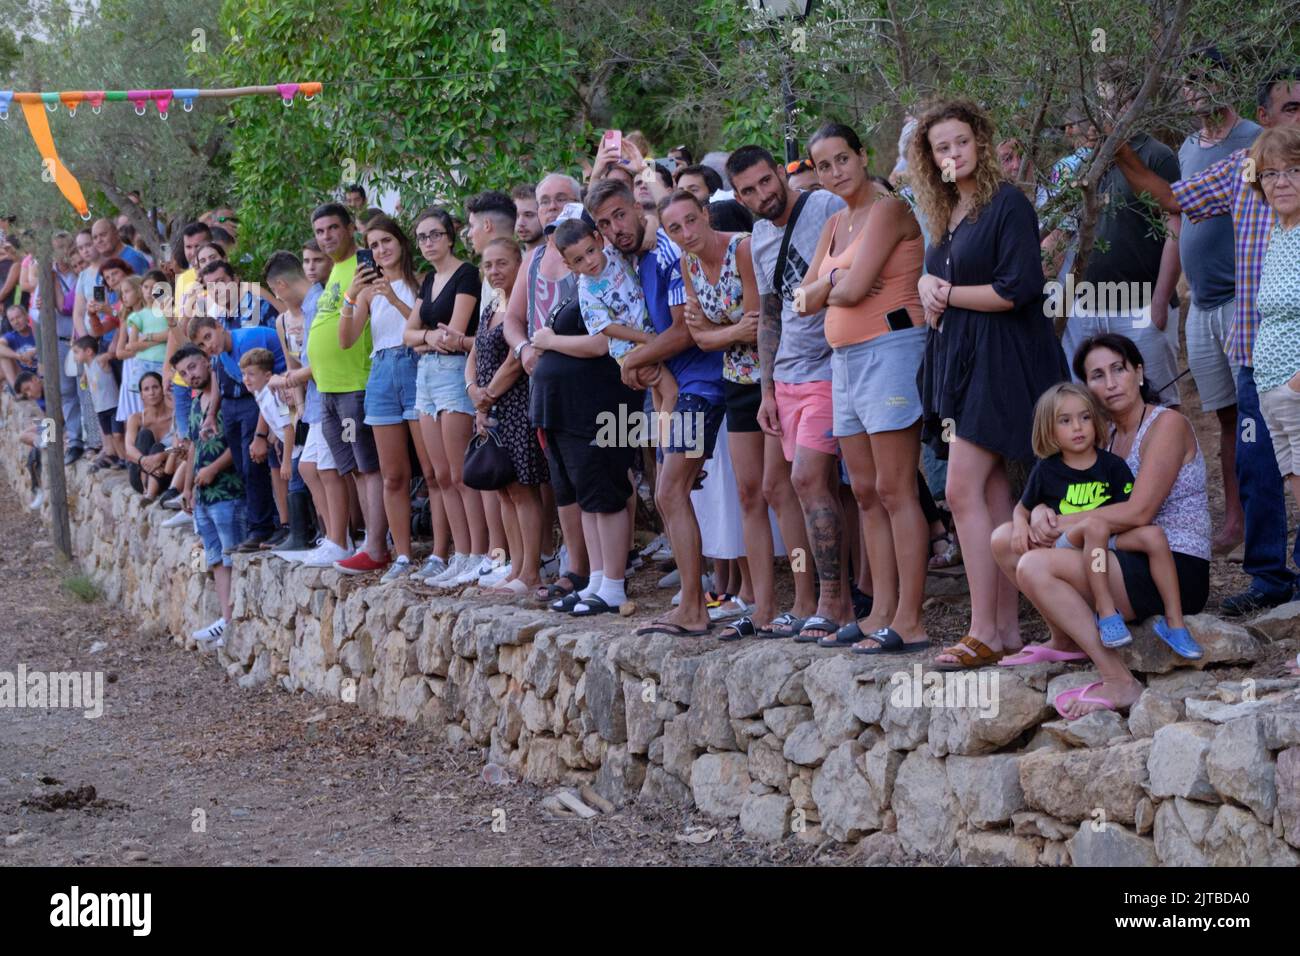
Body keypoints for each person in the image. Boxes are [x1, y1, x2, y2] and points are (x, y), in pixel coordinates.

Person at [1112, 67, 1300, 615]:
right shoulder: (1246, 174)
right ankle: (1269, 576)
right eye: (1289, 108)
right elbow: (1172, 197)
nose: (1281, 180)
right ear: (1264, 116)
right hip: (1254, 355)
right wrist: (1119, 147)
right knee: (1261, 462)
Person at [908, 98, 1069, 669]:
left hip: (1006, 360)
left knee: (959, 490)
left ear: (979, 140)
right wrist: (931, 289)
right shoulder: (948, 212)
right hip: (963, 357)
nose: (951, 154)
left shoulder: (1008, 203)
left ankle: (980, 628)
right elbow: (952, 284)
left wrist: (946, 292)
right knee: (994, 491)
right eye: (939, 147)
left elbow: (1016, 288)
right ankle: (1001, 630)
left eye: (960, 142)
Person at [993, 334, 1210, 717]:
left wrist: (1058, 522)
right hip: (1114, 553)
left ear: (1139, 372)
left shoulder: (1167, 425)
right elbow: (1073, 489)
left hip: (1170, 564)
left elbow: (1139, 511)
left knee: (1033, 564)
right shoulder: (1100, 437)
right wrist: (1041, 509)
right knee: (1005, 539)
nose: (1109, 383)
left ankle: (1118, 679)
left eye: (1118, 369)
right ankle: (1066, 637)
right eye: (1096, 375)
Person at [797, 122, 931, 654]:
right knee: (865, 490)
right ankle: (879, 611)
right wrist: (835, 287)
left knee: (896, 489)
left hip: (891, 351)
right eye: (823, 166)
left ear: (862, 155)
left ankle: (910, 619)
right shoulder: (834, 223)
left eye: (841, 160)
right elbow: (801, 299)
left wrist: (833, 288)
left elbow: (844, 290)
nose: (834, 173)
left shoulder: (888, 209)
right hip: (845, 361)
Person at [585, 178, 725, 637]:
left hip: (702, 384)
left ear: (637, 206)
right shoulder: (633, 258)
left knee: (670, 492)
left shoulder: (667, 252)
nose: (614, 229)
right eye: (604, 224)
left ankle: (696, 606)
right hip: (673, 387)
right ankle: (693, 601)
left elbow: (686, 330)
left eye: (619, 215)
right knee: (670, 492)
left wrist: (639, 357)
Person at [663, 188, 804, 639]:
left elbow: (759, 321)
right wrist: (728, 332)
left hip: (772, 377)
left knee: (779, 488)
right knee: (748, 494)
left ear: (705, 214)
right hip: (734, 382)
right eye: (675, 228)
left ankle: (805, 600)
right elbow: (701, 337)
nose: (686, 233)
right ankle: (763, 607)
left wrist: (722, 332)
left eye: (691, 220)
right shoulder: (686, 264)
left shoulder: (741, 248)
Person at [726, 144, 847, 642]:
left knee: (810, 480)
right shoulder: (756, 236)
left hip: (829, 365)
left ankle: (836, 602)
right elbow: (769, 316)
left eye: (766, 181)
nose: (762, 195)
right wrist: (767, 388)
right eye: (748, 191)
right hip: (786, 377)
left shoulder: (824, 207)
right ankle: (805, 600)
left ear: (781, 172)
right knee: (784, 489)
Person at [1014, 382, 1194, 656]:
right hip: (1071, 542)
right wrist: (1021, 524)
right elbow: (1022, 508)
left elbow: (1130, 512)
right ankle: (1106, 612)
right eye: (1065, 421)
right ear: (1049, 430)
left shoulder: (1112, 465)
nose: (1077, 427)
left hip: (1109, 539)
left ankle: (1175, 622)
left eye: (1085, 417)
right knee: (1096, 527)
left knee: (1154, 535)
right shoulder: (1046, 470)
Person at [1172, 55, 1260, 555]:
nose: (1198, 89)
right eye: (1190, 80)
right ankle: (1235, 519)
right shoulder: (1187, 145)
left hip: (1241, 301)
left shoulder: (1248, 138)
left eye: (1208, 77)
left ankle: (1262, 514)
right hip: (1201, 305)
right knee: (1224, 417)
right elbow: (1178, 214)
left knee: (1256, 413)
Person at [1059, 86, 1182, 408]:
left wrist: (1160, 301)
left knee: (1156, 403)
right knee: (1091, 407)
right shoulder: (1085, 162)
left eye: (1116, 100)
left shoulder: (1157, 155)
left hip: (1140, 304)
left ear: (1135, 103)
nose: (1107, 110)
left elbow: (1176, 225)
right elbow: (1065, 230)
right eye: (1100, 102)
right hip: (1087, 306)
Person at [502, 172, 589, 601]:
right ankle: (575, 566)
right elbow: (513, 319)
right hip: (544, 383)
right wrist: (522, 351)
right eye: (545, 201)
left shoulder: (592, 253)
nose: (552, 208)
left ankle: (610, 565)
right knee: (560, 475)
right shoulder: (534, 259)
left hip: (591, 379)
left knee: (599, 470)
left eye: (561, 199)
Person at [403, 205, 487, 586]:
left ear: (450, 236)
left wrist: (431, 340)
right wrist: (426, 338)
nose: (428, 242)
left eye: (435, 234)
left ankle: (478, 553)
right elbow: (410, 335)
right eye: (422, 237)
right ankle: (461, 553)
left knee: (460, 471)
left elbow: (454, 335)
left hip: (455, 374)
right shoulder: (427, 281)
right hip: (426, 376)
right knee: (438, 473)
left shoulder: (467, 274)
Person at [339, 214, 424, 582]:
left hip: (415, 366)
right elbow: (347, 339)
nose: (380, 250)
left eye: (386, 241)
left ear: (400, 242)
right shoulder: (370, 291)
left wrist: (394, 296)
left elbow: (424, 328)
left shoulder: (421, 280)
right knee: (392, 475)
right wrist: (351, 295)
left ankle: (447, 554)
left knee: (437, 474)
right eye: (373, 245)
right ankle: (401, 555)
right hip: (381, 371)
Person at [305, 202, 389, 572]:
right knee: (353, 468)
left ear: (349, 229)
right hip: (328, 389)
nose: (326, 237)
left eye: (332, 229)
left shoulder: (364, 265)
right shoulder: (335, 270)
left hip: (356, 383)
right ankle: (364, 542)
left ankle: (376, 546)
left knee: (369, 467)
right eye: (320, 231)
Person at [467, 237, 549, 595]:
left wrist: (488, 397)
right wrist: (473, 391)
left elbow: (517, 359)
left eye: (502, 263)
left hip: (516, 405)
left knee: (522, 490)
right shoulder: (491, 307)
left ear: (520, 264)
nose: (494, 271)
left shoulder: (526, 306)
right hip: (490, 406)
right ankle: (515, 567)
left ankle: (531, 571)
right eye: (488, 265)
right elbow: (474, 352)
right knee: (503, 490)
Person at [556, 216, 679, 431]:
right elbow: (604, 326)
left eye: (590, 251)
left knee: (660, 396)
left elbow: (647, 218)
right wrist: (645, 338)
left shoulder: (614, 253)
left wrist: (650, 230)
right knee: (671, 392)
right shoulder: (586, 289)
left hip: (649, 337)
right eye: (578, 261)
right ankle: (672, 448)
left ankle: (663, 455)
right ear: (568, 265)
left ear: (599, 240)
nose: (589, 262)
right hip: (630, 349)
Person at [264, 250, 348, 561]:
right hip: (314, 400)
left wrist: (286, 379)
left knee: (326, 468)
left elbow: (319, 358)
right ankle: (332, 537)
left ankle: (340, 540)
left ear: (281, 286)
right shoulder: (297, 311)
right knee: (309, 466)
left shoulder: (316, 301)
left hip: (328, 394)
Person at [189, 314, 287, 550]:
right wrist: (212, 414)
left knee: (258, 464)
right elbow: (224, 382)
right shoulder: (221, 354)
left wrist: (261, 435)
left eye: (208, 337)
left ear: (219, 326)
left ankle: (269, 528)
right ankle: (267, 526)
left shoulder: (246, 342)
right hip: (260, 400)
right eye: (201, 345)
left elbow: (262, 391)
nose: (208, 345)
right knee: (247, 466)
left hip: (283, 394)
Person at [173, 344, 245, 649]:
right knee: (216, 558)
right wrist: (188, 488)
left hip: (228, 491)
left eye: (193, 367)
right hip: (203, 495)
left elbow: (238, 444)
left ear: (207, 362)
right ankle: (226, 619)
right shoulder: (194, 405)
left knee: (231, 555)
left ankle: (235, 622)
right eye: (183, 372)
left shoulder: (227, 400)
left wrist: (214, 469)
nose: (190, 375)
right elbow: (192, 450)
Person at [1247, 126, 1300, 530]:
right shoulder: (1278, 233)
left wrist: (1296, 384)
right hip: (1272, 389)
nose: (1281, 182)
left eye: (1293, 170)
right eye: (1270, 173)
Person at [124, 371, 179, 499]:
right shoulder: (136, 418)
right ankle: (146, 487)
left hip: (165, 474)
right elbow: (129, 448)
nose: (151, 392)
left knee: (159, 447)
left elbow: (182, 445)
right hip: (139, 476)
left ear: (162, 389)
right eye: (146, 389)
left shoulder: (175, 416)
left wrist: (161, 456)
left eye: (155, 387)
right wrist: (144, 461)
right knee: (145, 434)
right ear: (142, 395)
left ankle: (151, 493)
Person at [0, 304, 38, 391]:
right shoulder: (11, 336)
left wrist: (35, 351)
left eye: (18, 317)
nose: (16, 322)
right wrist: (19, 356)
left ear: (26, 316)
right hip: (22, 376)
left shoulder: (36, 331)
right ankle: (16, 390)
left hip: (40, 374)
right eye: (12, 320)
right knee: (3, 356)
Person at [512, 184, 545, 252]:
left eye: (528, 215)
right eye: (516, 215)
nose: (520, 223)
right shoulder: (513, 259)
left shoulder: (559, 258)